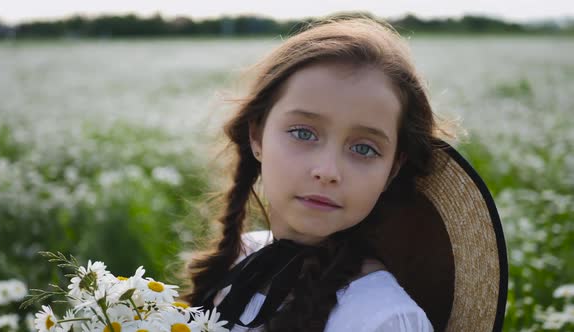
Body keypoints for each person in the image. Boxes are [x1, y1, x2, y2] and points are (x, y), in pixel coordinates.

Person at [179, 16, 508, 332]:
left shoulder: (383, 319)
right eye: (303, 133)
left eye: (364, 149)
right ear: (257, 136)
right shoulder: (244, 256)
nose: (327, 171)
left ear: (392, 169)